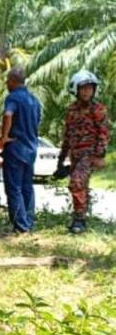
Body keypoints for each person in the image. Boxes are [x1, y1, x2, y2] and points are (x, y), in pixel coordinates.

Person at [57, 70, 111, 234]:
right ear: (76, 89)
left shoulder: (98, 109)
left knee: (77, 183)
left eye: (90, 88)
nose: (87, 91)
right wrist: (60, 161)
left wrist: (99, 155)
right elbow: (67, 136)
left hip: (89, 154)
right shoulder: (71, 110)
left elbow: (104, 133)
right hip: (75, 155)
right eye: (83, 88)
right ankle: (82, 216)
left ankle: (79, 220)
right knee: (79, 186)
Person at [1, 67, 41, 233]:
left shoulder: (13, 97)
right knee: (27, 187)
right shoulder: (34, 100)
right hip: (31, 148)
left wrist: (4, 137)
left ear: (12, 81)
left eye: (7, 81)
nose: (6, 84)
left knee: (14, 188)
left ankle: (21, 225)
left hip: (16, 148)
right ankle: (28, 222)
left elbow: (8, 114)